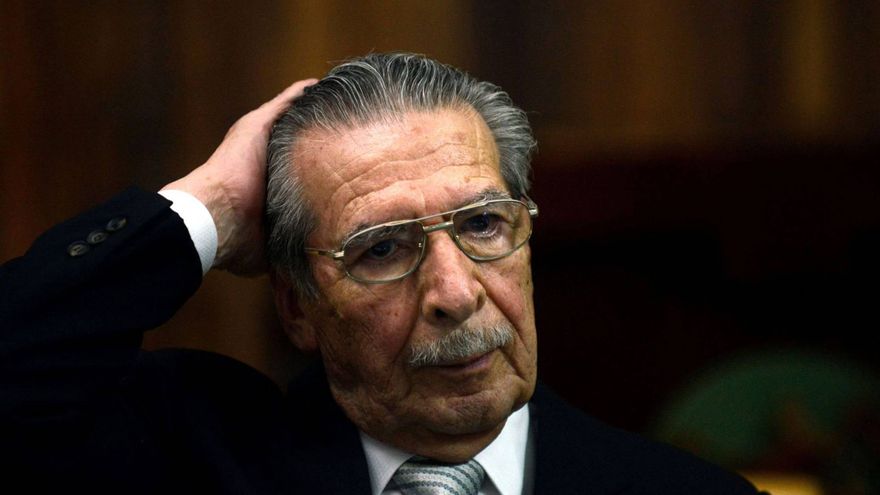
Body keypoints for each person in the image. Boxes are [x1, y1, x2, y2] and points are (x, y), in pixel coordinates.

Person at [0, 53, 763, 494]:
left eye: (483, 224)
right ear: (297, 306)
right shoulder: (188, 461)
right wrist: (211, 208)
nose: (456, 293)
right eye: (383, 249)